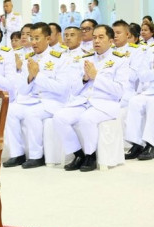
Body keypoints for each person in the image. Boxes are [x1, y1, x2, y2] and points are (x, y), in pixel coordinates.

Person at [53, 25, 129, 172]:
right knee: (59, 117)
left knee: (86, 119)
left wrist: (97, 76)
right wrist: (85, 78)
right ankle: (78, 154)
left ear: (111, 41)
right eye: (94, 37)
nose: (96, 41)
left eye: (101, 37)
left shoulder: (120, 60)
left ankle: (90, 156)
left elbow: (119, 91)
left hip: (105, 104)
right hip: (83, 101)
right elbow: (73, 89)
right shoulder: (86, 58)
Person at [3, 22, 70, 168]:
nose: (33, 42)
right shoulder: (29, 58)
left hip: (52, 101)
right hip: (31, 99)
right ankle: (17, 154)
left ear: (48, 38)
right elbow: (23, 89)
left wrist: (37, 75)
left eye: (37, 38)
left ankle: (36, 156)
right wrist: (30, 77)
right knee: (10, 111)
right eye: (31, 38)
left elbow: (62, 88)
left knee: (32, 114)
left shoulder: (60, 58)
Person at [124, 42, 154, 160]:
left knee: (152, 104)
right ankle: (137, 144)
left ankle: (151, 144)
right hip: (150, 90)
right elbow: (142, 75)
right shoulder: (150, 50)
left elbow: (148, 74)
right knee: (134, 102)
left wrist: (151, 73)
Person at [112, 20, 143, 107]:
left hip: (125, 91)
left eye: (118, 33)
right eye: (113, 33)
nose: (115, 36)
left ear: (127, 34)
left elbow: (133, 76)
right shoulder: (108, 51)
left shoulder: (136, 51)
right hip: (107, 89)